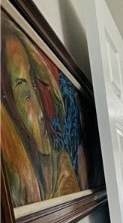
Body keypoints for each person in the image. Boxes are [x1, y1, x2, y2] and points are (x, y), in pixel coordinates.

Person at [1, 17, 81, 207]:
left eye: (35, 87)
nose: (41, 113)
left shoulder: (61, 166)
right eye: (25, 96)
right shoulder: (22, 186)